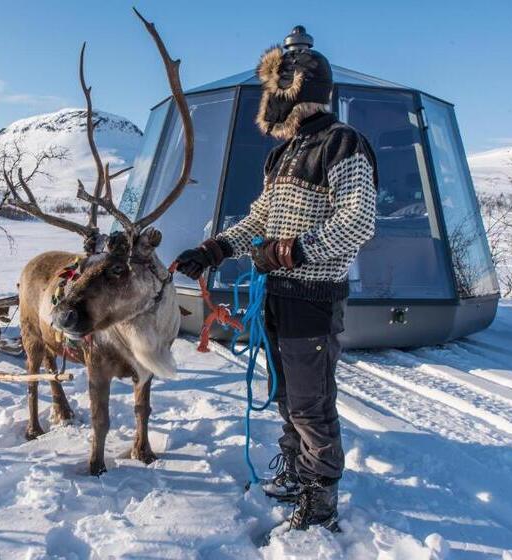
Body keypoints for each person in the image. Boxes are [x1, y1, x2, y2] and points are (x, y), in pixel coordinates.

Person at [174, 26, 377, 531]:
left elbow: (358, 221)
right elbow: (261, 218)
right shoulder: (283, 153)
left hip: (314, 297)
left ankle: (320, 497)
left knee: (311, 404)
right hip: (277, 296)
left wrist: (291, 251)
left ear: (294, 95)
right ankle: (295, 471)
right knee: (287, 397)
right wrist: (215, 248)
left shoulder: (342, 143)